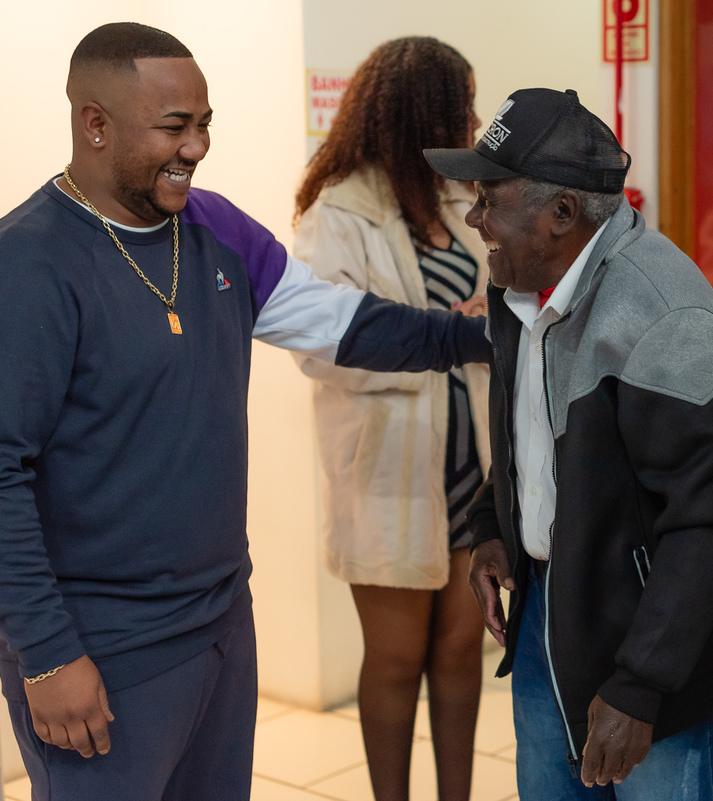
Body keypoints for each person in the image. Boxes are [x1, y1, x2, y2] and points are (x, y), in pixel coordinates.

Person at [0, 22, 488, 801]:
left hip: (222, 622)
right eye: (173, 127)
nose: (196, 147)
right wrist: (48, 654)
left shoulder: (215, 228)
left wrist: (481, 338)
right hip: (102, 645)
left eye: (204, 125)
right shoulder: (27, 264)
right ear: (95, 124)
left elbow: (347, 324)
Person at [424, 88, 713, 800]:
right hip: (550, 618)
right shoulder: (519, 285)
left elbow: (706, 524)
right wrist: (497, 527)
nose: (474, 216)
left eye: (490, 196)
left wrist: (642, 685)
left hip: (654, 651)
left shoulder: (665, 314)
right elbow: (535, 435)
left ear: (562, 213)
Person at [292, 37, 490, 801]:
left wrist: (487, 312)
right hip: (392, 469)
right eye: (462, 105)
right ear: (422, 111)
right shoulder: (338, 209)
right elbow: (321, 344)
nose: (473, 119)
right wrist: (442, 331)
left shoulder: (453, 198)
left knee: (461, 649)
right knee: (398, 657)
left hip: (471, 464)